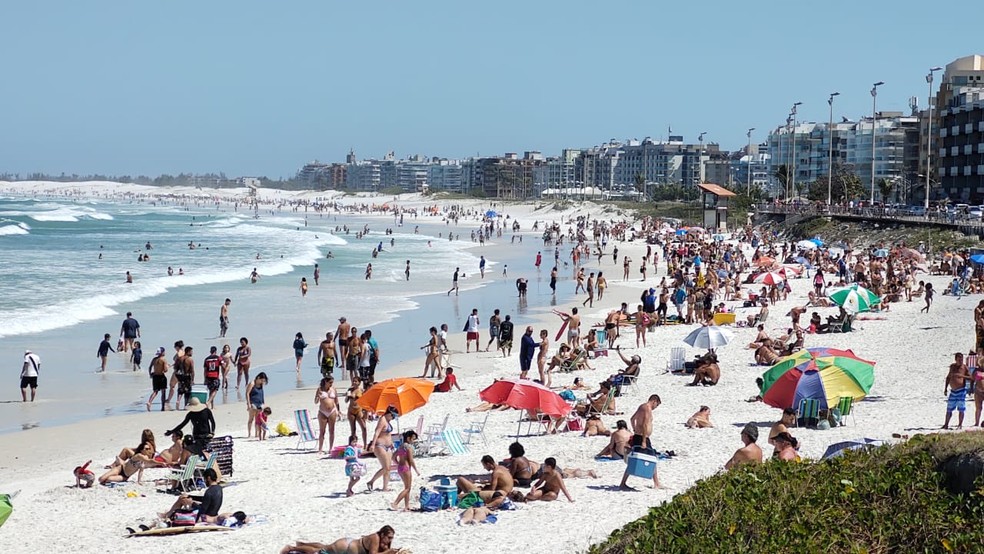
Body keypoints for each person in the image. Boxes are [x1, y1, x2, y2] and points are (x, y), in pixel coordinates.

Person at [620, 395, 662, 490]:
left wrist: (635, 429)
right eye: (657, 405)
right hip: (642, 438)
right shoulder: (647, 408)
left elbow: (632, 419)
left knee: (647, 458)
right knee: (651, 458)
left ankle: (657, 483)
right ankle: (656, 483)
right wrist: (643, 440)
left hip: (639, 436)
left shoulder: (641, 406)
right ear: (654, 401)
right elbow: (645, 424)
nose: (655, 407)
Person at [280, 526, 400, 554]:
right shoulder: (375, 538)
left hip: (349, 544)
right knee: (321, 551)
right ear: (382, 534)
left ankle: (302, 544)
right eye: (389, 537)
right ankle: (292, 548)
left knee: (324, 546)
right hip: (345, 546)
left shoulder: (384, 540)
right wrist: (389, 552)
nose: (390, 540)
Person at [367, 406, 399, 492]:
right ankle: (371, 481)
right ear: (389, 413)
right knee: (385, 467)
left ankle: (385, 487)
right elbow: (377, 433)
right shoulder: (382, 420)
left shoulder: (388, 421)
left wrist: (391, 442)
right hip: (380, 445)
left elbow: (388, 434)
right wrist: (372, 445)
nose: (393, 418)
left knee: (388, 468)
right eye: (393, 416)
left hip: (388, 446)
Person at [390, 430, 420, 511]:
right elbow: (411, 460)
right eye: (413, 439)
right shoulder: (409, 447)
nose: (414, 441)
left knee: (407, 487)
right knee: (407, 488)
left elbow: (393, 457)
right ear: (408, 438)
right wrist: (416, 470)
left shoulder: (400, 446)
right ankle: (395, 503)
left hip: (400, 467)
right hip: (406, 468)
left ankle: (406, 506)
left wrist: (397, 463)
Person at [944, 352, 972, 430]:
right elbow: (948, 377)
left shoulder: (964, 367)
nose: (960, 361)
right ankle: (946, 424)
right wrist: (945, 388)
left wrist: (962, 376)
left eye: (962, 359)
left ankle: (960, 425)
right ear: (956, 359)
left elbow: (971, 378)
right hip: (953, 391)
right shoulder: (952, 367)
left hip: (961, 391)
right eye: (959, 359)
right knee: (949, 408)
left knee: (961, 408)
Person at [316, 377, 339, 454]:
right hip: (322, 412)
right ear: (326, 381)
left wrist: (338, 411)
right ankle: (320, 448)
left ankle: (330, 448)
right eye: (330, 382)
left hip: (332, 411)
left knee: (331, 430)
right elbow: (315, 401)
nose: (331, 384)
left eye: (332, 382)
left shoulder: (333, 389)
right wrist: (318, 397)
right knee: (322, 431)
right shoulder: (320, 389)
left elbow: (336, 401)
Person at [346, 376, 368, 447]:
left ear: (359, 382)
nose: (354, 382)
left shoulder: (361, 390)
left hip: (359, 410)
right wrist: (348, 396)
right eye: (353, 381)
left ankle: (365, 444)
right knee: (353, 430)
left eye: (356, 381)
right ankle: (353, 445)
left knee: (364, 428)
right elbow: (346, 401)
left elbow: (365, 402)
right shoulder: (350, 390)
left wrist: (365, 412)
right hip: (351, 411)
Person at [245, 372, 268, 438]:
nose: (262, 382)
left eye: (263, 381)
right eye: (262, 380)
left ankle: (256, 433)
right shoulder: (252, 383)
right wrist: (248, 404)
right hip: (253, 403)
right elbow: (247, 393)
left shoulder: (261, 385)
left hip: (260, 403)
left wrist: (263, 403)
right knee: (251, 419)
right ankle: (249, 433)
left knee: (258, 420)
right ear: (258, 378)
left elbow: (261, 393)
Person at [146, 347, 168, 411]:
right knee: (163, 392)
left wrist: (150, 374)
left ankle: (149, 402)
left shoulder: (154, 359)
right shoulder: (163, 360)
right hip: (161, 377)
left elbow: (150, 367)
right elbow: (165, 370)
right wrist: (167, 367)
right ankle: (163, 407)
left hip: (155, 376)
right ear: (162, 352)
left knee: (155, 391)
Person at [173, 346, 195, 410]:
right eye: (191, 352)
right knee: (187, 391)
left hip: (180, 376)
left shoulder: (179, 358)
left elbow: (175, 368)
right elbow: (192, 371)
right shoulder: (190, 360)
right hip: (187, 376)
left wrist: (177, 376)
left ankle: (178, 400)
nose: (192, 353)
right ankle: (185, 405)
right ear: (188, 352)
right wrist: (192, 380)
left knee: (180, 389)